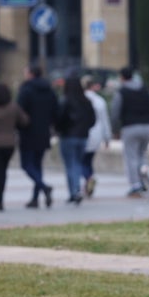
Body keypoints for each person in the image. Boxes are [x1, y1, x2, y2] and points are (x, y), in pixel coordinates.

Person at [109, 66, 149, 197]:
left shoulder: (122, 91)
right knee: (142, 155)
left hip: (130, 127)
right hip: (147, 127)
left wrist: (114, 129)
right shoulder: (145, 90)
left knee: (131, 157)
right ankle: (146, 180)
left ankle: (135, 185)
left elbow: (115, 112)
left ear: (122, 77)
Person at [16, 63, 59, 208]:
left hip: (28, 132)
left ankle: (44, 187)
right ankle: (35, 198)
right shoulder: (49, 90)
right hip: (44, 132)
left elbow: (19, 111)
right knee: (37, 166)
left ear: (31, 74)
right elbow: (56, 111)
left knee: (27, 165)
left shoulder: (26, 90)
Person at [0, 82, 28, 211]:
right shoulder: (14, 107)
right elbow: (24, 121)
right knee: (3, 171)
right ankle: (1, 197)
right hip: (9, 143)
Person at [55, 75, 96, 204]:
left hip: (68, 136)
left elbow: (59, 118)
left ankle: (74, 191)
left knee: (70, 165)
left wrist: (59, 129)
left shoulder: (65, 100)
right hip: (82, 136)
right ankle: (75, 190)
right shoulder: (86, 101)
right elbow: (92, 119)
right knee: (78, 163)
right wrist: (85, 129)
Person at [81, 74, 111, 198]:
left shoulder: (80, 99)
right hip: (97, 135)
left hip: (83, 134)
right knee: (88, 160)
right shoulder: (100, 101)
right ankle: (89, 182)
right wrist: (107, 138)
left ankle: (88, 178)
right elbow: (105, 120)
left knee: (81, 161)